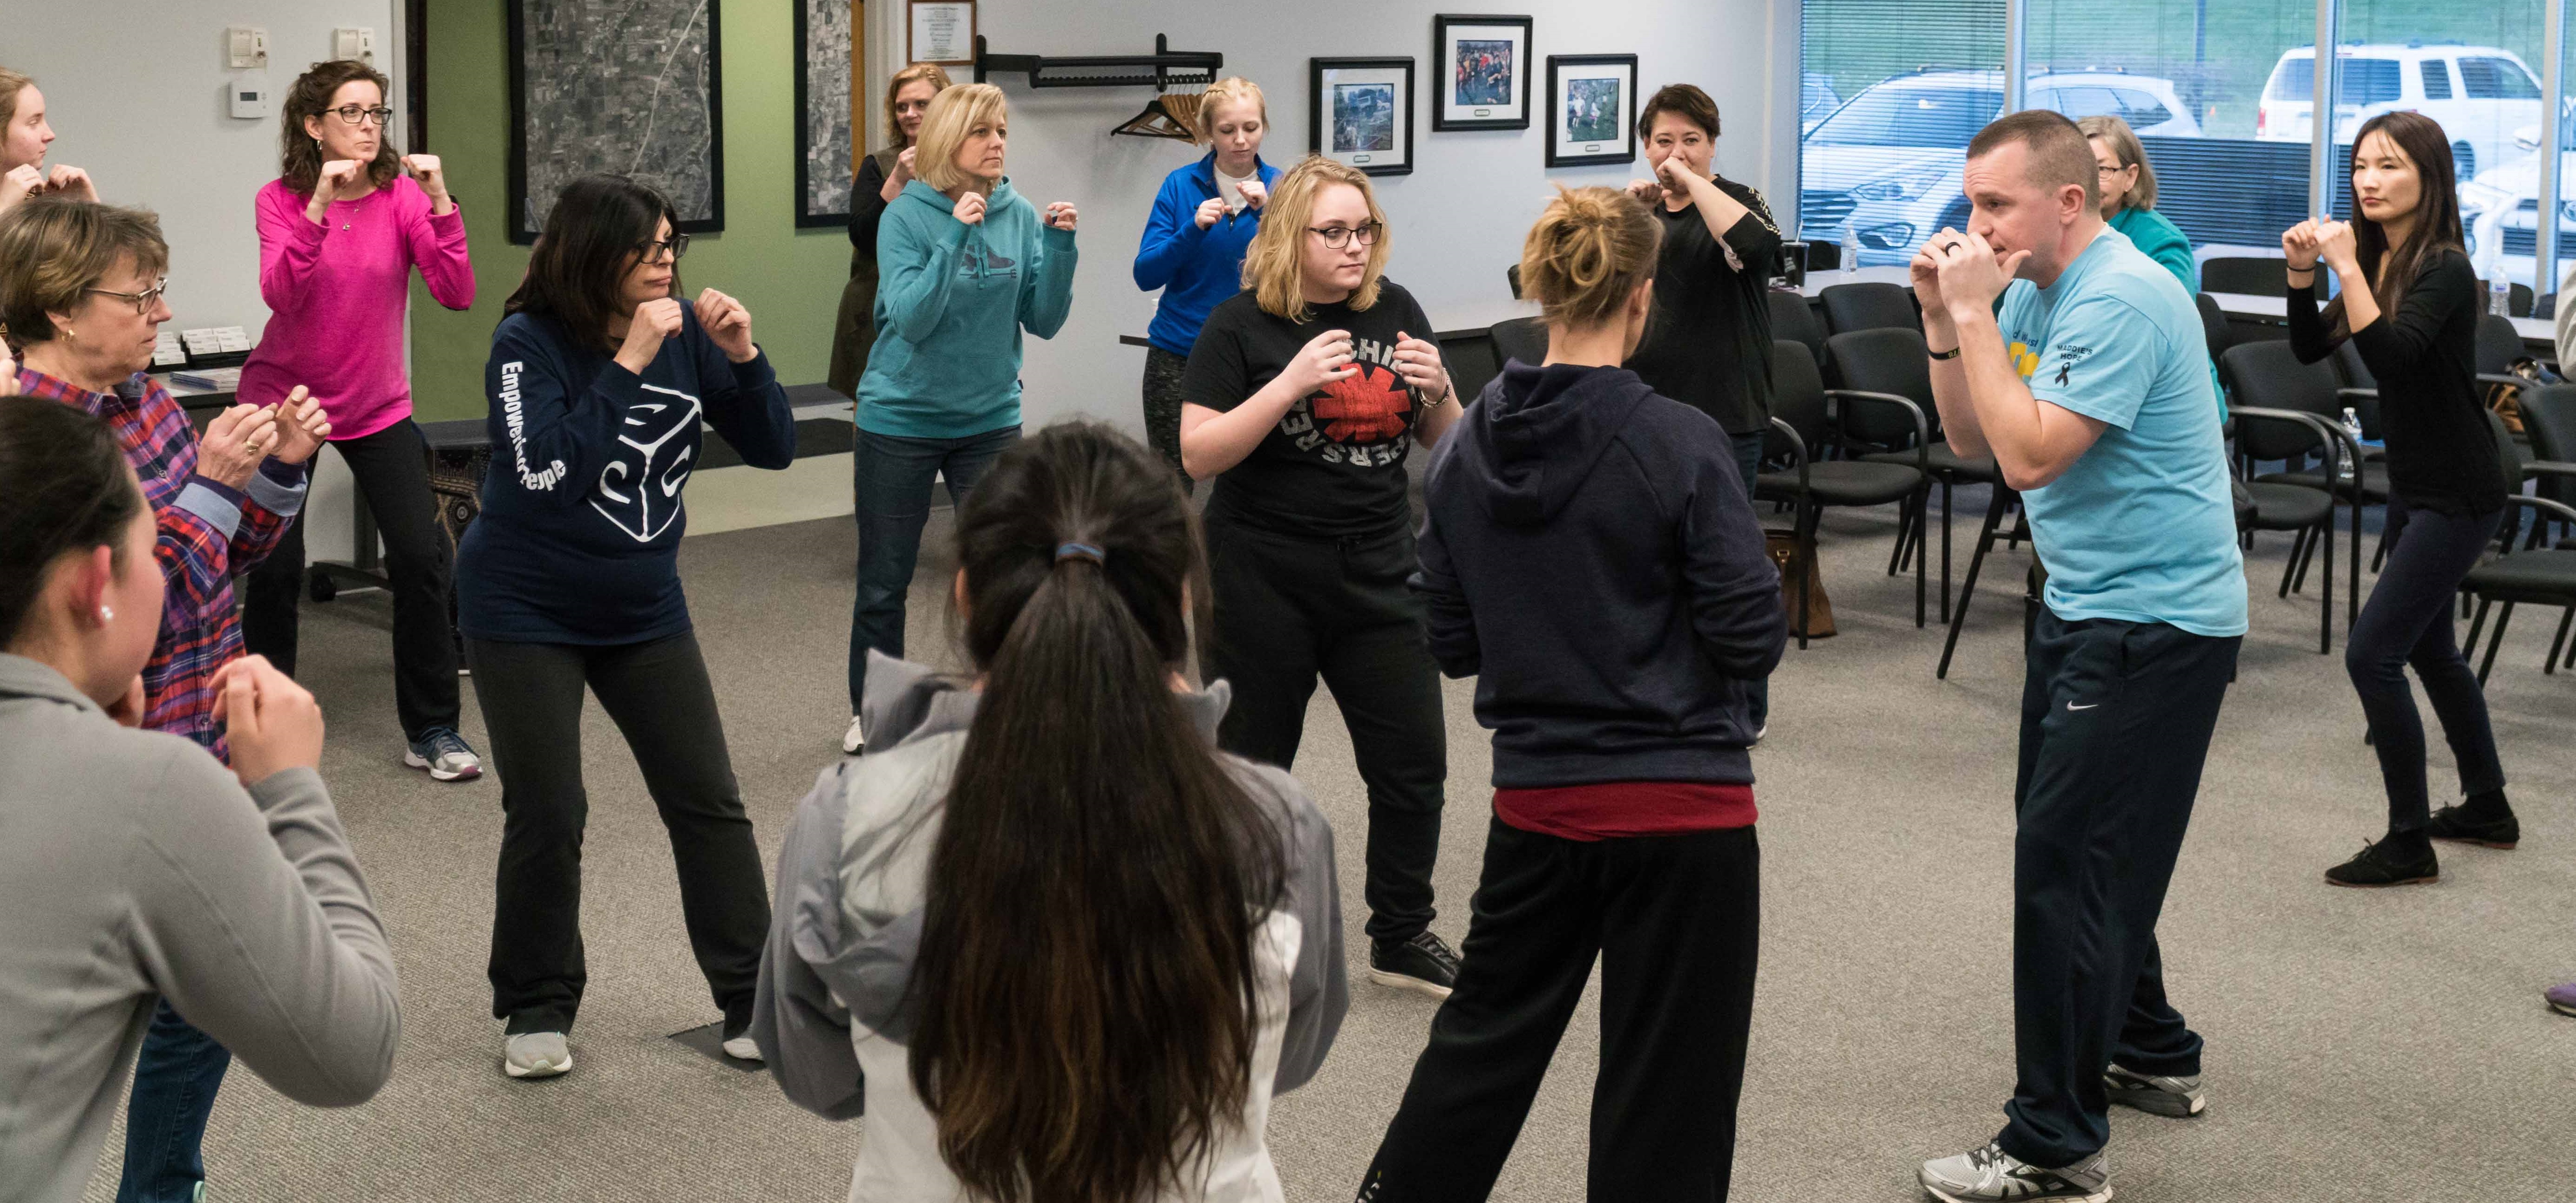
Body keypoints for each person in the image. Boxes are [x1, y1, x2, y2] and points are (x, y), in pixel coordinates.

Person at [754, 421, 1346, 1202]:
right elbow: (1289, 1056)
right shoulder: (1277, 821)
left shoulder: (847, 818)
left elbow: (816, 1072)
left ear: (966, 592)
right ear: (1179, 597)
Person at [1357, 186, 1785, 1201]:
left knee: (1477, 1050)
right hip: (1685, 812)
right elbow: (1748, 635)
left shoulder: (1461, 446)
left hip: (1538, 803)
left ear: (1539, 292)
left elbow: (1451, 641)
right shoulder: (1680, 442)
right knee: (1666, 1086)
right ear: (1642, 297)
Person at [1908, 110, 2246, 1203]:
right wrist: (1939, 319)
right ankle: (2148, 1045)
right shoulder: (2040, 288)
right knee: (2095, 850)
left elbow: (2031, 457)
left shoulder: (2121, 294)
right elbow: (1966, 436)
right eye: (1970, 202)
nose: (1976, 224)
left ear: (2069, 201)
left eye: (1996, 204)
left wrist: (1972, 306)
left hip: (2151, 627)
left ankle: (2052, 1146)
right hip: (2090, 606)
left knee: (2066, 875)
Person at [0, 196, 333, 1203]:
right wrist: (215, 488)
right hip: (103, 768)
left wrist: (275, 473)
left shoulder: (145, 403)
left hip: (201, 740)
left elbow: (227, 559)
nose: (159, 311)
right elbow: (124, 604)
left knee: (203, 1010)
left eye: (159, 289)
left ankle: (161, 1186)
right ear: (60, 311)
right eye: (137, 294)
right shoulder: (34, 445)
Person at [0, 400, 399, 1203]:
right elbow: (355, 1046)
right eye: (152, 547)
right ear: (92, 586)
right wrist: (293, 790)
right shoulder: (153, 792)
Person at [460, 173, 795, 1079]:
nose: (666, 266)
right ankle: (534, 1003)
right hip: (522, 607)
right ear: (595, 258)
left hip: (642, 606)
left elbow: (774, 447)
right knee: (549, 806)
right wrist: (627, 364)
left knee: (707, 799)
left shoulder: (687, 332)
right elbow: (546, 477)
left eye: (671, 249)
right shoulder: (526, 344)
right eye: (648, 252)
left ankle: (748, 998)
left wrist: (746, 353)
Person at [1180, 155, 1464, 998]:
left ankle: (1402, 930)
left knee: (1415, 763)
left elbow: (1449, 448)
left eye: (1363, 230)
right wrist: (1292, 383)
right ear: (1289, 237)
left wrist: (1444, 391)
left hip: (1380, 570)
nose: (1353, 246)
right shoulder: (1239, 325)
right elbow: (1198, 451)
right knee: (1254, 771)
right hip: (1259, 573)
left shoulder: (1398, 309)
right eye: (1333, 231)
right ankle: (1237, 931)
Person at [2279, 113, 2512, 887]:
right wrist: (2302, 276)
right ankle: (2487, 806)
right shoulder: (2378, 255)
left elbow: (2397, 359)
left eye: (2389, 166)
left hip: (2460, 490)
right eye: (2361, 166)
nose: (2368, 180)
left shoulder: (2443, 267)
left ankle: (2408, 839)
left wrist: (2347, 268)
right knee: (2431, 649)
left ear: (2429, 177)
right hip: (2419, 485)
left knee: (2372, 653)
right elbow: (2314, 347)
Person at [238, 58, 483, 783]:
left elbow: (457, 291)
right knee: (275, 566)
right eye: (353, 112)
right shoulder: (279, 200)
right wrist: (317, 207)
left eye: (377, 112)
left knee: (421, 556)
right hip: (287, 398)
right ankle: (265, 732)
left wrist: (441, 202)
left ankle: (433, 728)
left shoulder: (403, 198)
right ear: (315, 126)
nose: (370, 126)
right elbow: (282, 294)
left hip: (376, 405)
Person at [844, 82, 1078, 755]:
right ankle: (873, 710)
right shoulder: (905, 217)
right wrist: (955, 232)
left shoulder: (1020, 210)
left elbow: (1045, 319)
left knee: (1002, 569)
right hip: (901, 419)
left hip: (989, 418)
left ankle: (1003, 699)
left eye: (1002, 130)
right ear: (949, 142)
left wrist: (1060, 248)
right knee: (884, 579)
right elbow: (912, 319)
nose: (998, 143)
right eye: (983, 132)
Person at [1620, 82, 1782, 737]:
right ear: (1644, 146)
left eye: (1690, 139)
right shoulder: (1641, 214)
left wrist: (1690, 180)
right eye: (1663, 140)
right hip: (1645, 411)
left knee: (1725, 563)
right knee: (1648, 561)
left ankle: (1745, 706)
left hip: (1725, 412)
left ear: (1712, 145)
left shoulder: (1737, 201)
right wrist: (1629, 213)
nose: (1675, 152)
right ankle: (1665, 693)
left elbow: (1755, 246)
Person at [1135, 76, 1281, 489]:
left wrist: (1270, 216)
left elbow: (1305, 267)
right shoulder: (1179, 185)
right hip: (1178, 352)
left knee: (1256, 480)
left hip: (1256, 354)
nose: (1240, 140)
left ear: (1263, 128)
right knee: (1169, 485)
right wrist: (1191, 229)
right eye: (1226, 130)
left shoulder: (1283, 188)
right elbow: (1146, 274)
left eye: (1250, 128)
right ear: (1207, 134)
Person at [826, 62, 951, 398]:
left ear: (945, 106)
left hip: (942, 302)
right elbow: (863, 237)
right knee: (874, 404)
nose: (910, 114)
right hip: (877, 303)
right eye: (902, 107)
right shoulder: (880, 164)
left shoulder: (965, 161)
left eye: (921, 104)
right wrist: (897, 179)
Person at [2076, 115, 2194, 294]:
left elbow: (2172, 318)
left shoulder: (2162, 243)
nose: (2087, 182)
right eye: (2078, 169)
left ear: (2130, 177)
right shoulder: (2056, 230)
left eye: (2102, 169)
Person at [0, 67, 98, 214]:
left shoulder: (34, 198)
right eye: (34, 123)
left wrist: (88, 211)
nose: (50, 135)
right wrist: (4, 209)